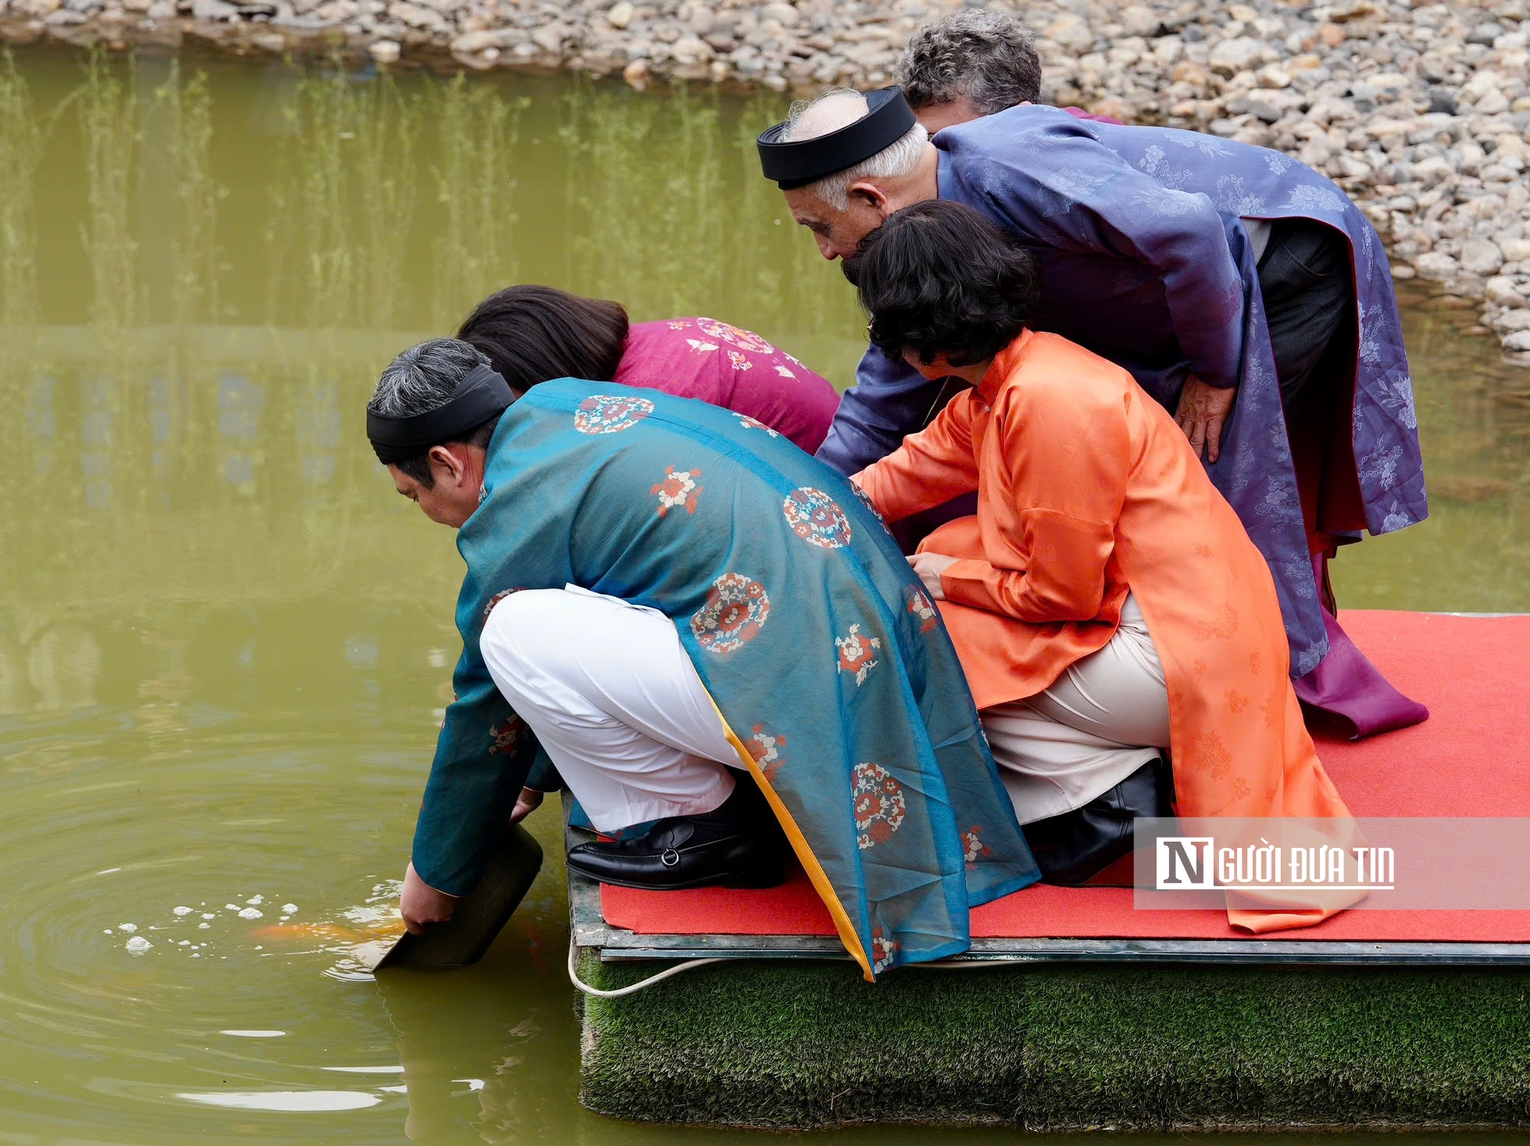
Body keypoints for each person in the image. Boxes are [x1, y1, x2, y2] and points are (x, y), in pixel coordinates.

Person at [755, 83, 1428, 737]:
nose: (825, 250)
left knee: (1222, 473)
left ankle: (1253, 683)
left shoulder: (1007, 170)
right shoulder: (932, 236)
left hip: (1274, 257)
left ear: (872, 198)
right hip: (1173, 291)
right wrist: (804, 506)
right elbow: (881, 398)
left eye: (820, 225)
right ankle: (1179, 658)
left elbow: (1194, 232)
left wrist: (1218, 370)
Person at [367, 337, 1035, 974]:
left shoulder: (515, 500)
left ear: (447, 462)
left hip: (811, 686)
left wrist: (436, 875)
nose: (425, 509)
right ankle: (724, 807)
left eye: (413, 493)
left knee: (507, 628)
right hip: (876, 646)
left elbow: (484, 705)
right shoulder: (561, 405)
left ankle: (693, 832)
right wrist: (531, 777)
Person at [849, 201, 1356, 931]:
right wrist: (811, 510)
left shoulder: (1048, 404)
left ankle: (1098, 793)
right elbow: (908, 471)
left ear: (913, 338)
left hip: (1180, 660)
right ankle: (1105, 775)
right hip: (1186, 624)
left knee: (921, 627)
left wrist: (933, 578)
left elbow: (1060, 594)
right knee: (953, 550)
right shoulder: (1021, 372)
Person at [455, 284, 840, 454]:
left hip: (858, 513)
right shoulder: (643, 343)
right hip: (857, 457)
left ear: (541, 370)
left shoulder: (643, 405)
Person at [897, 6, 1119, 131]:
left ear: (1021, 117)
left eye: (949, 141)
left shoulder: (1106, 149)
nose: (933, 158)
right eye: (923, 139)